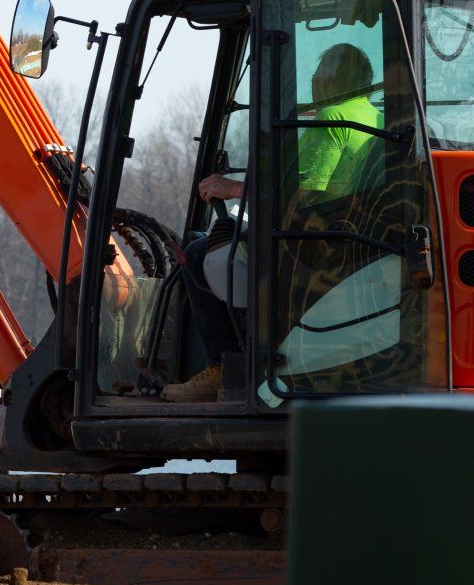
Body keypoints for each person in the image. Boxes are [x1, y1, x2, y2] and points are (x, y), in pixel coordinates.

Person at [161, 42, 382, 402]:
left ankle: (220, 368)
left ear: (335, 79)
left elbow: (299, 197)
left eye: (319, 70)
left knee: (199, 251)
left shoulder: (333, 119)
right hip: (344, 238)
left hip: (309, 244)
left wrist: (230, 188)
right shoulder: (375, 117)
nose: (312, 78)